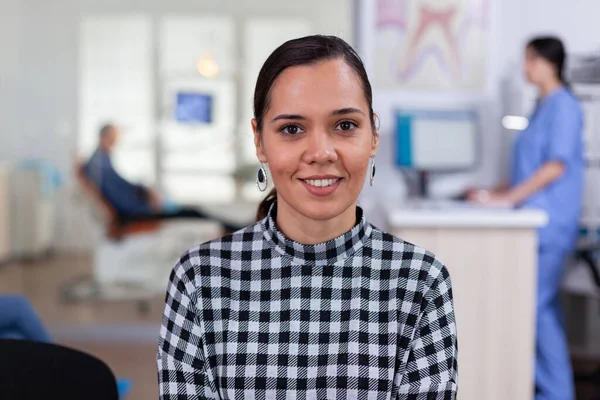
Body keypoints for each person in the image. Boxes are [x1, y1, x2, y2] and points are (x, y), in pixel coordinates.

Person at [157, 35, 458, 399]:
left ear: (373, 134)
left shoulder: (420, 281)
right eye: (292, 129)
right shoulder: (199, 278)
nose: (320, 153)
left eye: (345, 125)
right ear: (260, 140)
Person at [469, 36, 582, 400]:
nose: (524, 68)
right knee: (540, 307)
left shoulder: (563, 105)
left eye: (529, 60)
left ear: (547, 63)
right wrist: (495, 193)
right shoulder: (541, 106)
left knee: (531, 306)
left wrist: (507, 201)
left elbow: (553, 167)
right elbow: (526, 168)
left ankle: (553, 391)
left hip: (550, 222)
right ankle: (553, 389)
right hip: (534, 219)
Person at [84, 124, 243, 232]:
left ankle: (236, 228)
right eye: (115, 137)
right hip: (134, 214)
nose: (117, 141)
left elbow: (123, 186)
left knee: (192, 211)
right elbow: (119, 198)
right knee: (192, 213)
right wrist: (149, 205)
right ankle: (236, 229)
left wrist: (145, 191)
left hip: (137, 208)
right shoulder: (99, 164)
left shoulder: (101, 160)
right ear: (107, 137)